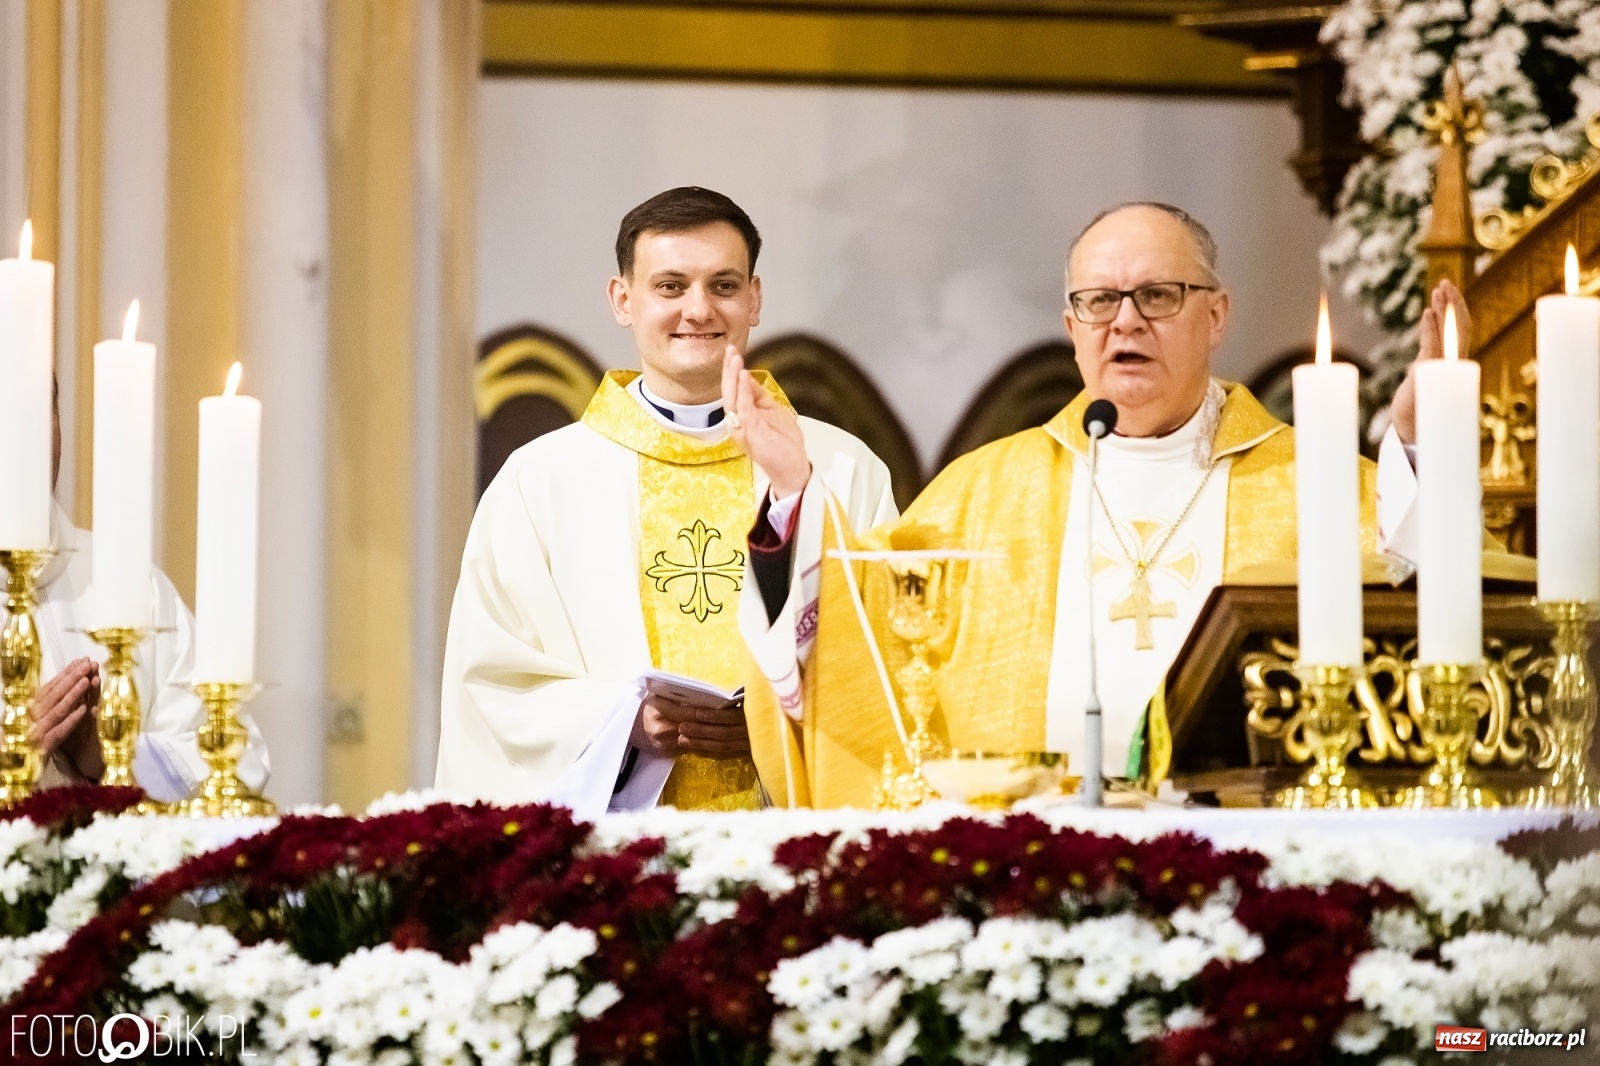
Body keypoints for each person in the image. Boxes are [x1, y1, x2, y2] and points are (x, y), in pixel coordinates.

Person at [729, 201, 1457, 808]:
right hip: (1027, 858)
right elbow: (859, 664)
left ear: (1217, 316)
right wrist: (795, 496)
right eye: (1099, 300)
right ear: (1073, 327)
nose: (1126, 321)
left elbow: (1438, 620)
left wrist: (1426, 451)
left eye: (1159, 295)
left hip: (1250, 844)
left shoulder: (1318, 485)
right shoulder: (979, 492)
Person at [436, 187, 897, 812]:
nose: (698, 309)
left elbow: (892, 658)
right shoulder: (540, 480)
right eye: (671, 286)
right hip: (613, 860)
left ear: (755, 299)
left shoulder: (842, 468)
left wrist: (777, 717)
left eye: (724, 285)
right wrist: (624, 722)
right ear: (623, 299)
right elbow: (490, 682)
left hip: (791, 845)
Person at [30, 383, 270, 798]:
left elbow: (237, 762)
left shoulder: (131, 583)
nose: (19, 441)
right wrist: (12, 756)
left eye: (35, 409)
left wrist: (112, 755)